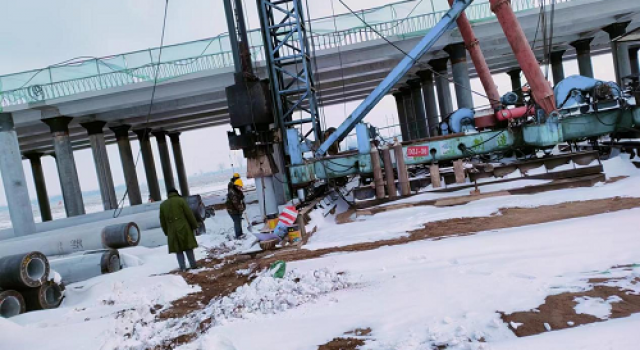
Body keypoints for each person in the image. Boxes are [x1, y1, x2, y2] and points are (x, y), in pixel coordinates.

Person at [159, 188, 199, 272]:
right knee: (188, 247)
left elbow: (162, 222)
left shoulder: (163, 205)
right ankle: (193, 265)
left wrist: (167, 232)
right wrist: (195, 225)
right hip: (184, 228)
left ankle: (182, 267)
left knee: (178, 250)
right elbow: (189, 214)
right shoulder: (181, 201)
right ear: (176, 193)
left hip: (172, 231)